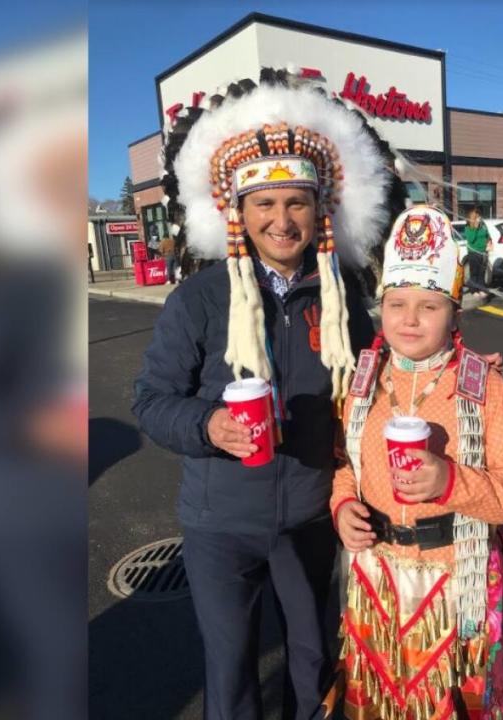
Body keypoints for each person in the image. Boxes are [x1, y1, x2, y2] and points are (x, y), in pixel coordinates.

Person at [131, 69, 407, 720]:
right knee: (231, 675)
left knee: (312, 662)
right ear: (240, 212)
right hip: (219, 524)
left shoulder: (346, 304)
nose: (281, 220)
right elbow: (150, 399)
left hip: (311, 518)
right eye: (265, 204)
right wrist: (209, 426)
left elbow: (381, 393)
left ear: (319, 211)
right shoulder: (197, 301)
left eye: (296, 203)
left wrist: (447, 373)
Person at [330, 205, 503, 719]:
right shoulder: (363, 383)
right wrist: (342, 505)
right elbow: (346, 463)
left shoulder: (483, 388)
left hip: (456, 584)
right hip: (376, 578)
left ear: (455, 313)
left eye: (428, 306)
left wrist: (451, 480)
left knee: (459, 703)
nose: (409, 319)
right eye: (397, 303)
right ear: (380, 307)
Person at [462, 205, 490, 292]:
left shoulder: (483, 225)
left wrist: (489, 241)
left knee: (482, 273)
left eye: (479, 215)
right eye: (477, 216)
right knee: (474, 273)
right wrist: (476, 227)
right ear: (473, 218)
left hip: (483, 252)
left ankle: (481, 289)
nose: (479, 217)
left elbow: (487, 235)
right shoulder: (468, 228)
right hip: (474, 253)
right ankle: (473, 290)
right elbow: (471, 239)